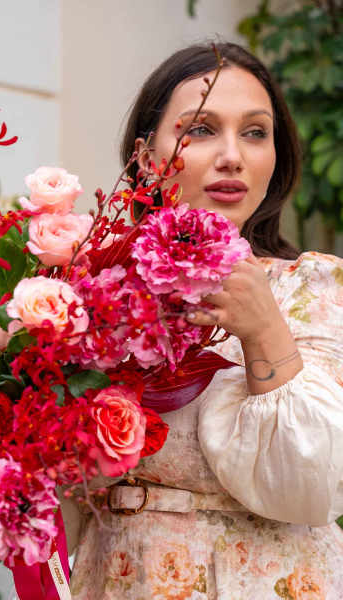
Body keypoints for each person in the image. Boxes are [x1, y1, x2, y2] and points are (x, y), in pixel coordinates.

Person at [65, 42, 343, 599]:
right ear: (147, 158)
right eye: (201, 129)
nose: (233, 156)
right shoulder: (92, 291)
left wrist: (263, 328)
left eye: (255, 132)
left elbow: (315, 485)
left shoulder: (311, 288)